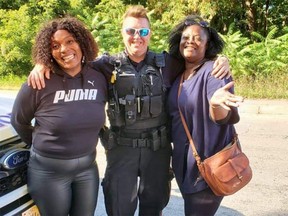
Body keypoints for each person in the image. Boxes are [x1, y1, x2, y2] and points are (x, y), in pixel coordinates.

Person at [27, 6, 231, 216]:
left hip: (157, 150)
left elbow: (196, 57)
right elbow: (71, 60)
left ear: (149, 34)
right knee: (119, 208)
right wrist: (42, 63)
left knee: (153, 207)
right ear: (122, 34)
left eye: (143, 31)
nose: (137, 37)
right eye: (130, 31)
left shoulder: (168, 63)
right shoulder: (105, 66)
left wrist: (220, 59)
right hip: (121, 150)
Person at [11, 17, 107, 216]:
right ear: (48, 52)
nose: (64, 49)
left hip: (87, 169)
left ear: (82, 42)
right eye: (55, 45)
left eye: (70, 41)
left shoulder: (98, 77)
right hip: (48, 172)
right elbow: (18, 121)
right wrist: (40, 144)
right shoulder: (38, 82)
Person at [167, 15, 244, 215]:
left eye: (197, 37)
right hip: (185, 167)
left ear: (207, 43)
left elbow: (222, 117)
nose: (190, 41)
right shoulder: (179, 73)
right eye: (185, 37)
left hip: (207, 169)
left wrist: (216, 104)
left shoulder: (214, 71)